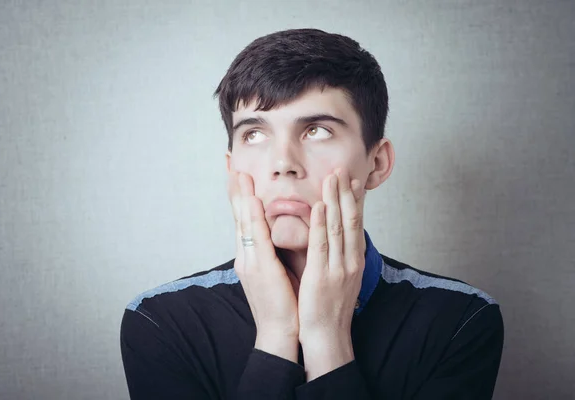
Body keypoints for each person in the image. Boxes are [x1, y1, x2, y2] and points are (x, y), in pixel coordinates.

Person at [120, 28, 504, 399]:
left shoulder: (460, 320)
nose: (283, 163)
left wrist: (326, 337)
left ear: (377, 163)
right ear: (231, 167)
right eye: (254, 134)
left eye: (317, 130)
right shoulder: (161, 321)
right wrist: (275, 334)